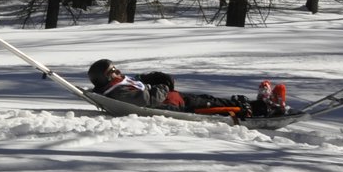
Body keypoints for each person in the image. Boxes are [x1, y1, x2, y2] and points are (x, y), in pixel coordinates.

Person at [86, 60, 290, 117]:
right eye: (113, 70)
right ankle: (267, 108)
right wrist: (164, 86)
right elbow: (148, 100)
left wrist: (155, 77)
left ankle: (261, 103)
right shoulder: (117, 92)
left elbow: (140, 80)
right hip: (175, 106)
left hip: (176, 98)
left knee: (211, 98)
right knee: (216, 107)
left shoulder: (118, 83)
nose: (118, 71)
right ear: (106, 77)